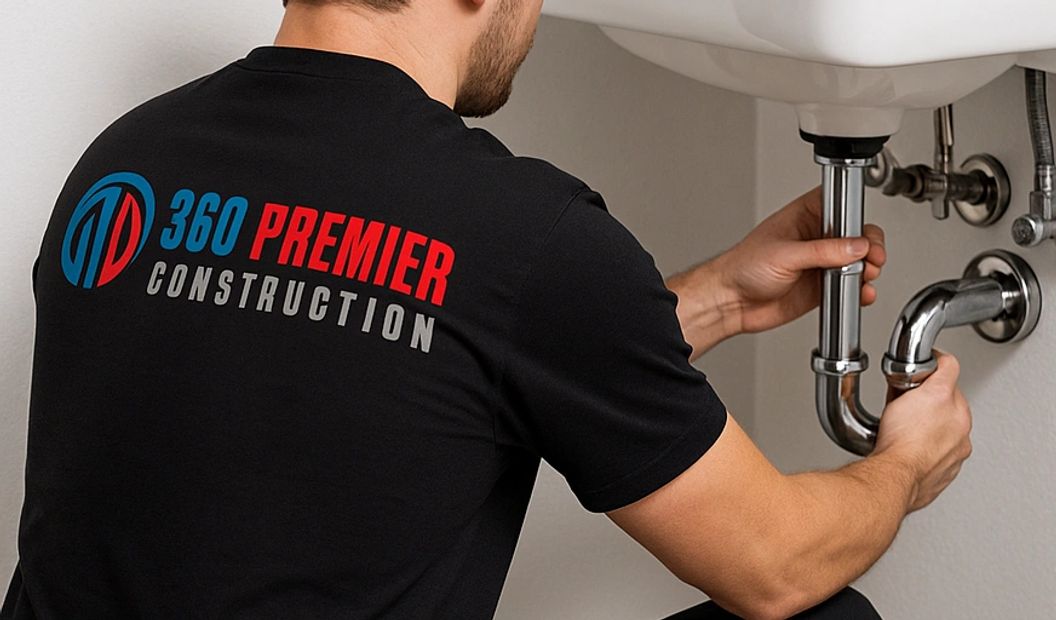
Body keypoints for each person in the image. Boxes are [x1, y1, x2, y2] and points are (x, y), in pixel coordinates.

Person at [0, 0, 973, 618]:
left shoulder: (123, 162)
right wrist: (901, 465)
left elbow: (357, 362)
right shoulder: (523, 233)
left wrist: (709, 297)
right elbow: (774, 564)